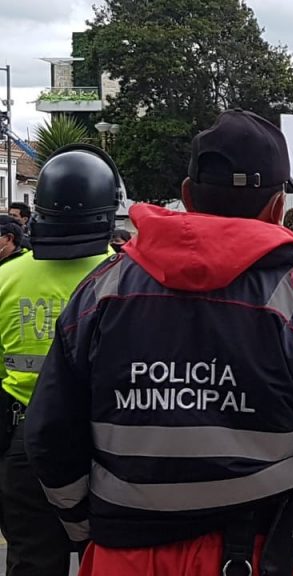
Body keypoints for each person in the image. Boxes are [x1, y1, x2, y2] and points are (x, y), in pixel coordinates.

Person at [24, 111, 293, 575]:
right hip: (255, 555)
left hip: (122, 555)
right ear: (278, 206)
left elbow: (48, 434)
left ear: (186, 194)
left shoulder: (101, 292)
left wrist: (86, 527)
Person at [0, 145, 119, 575]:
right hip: (105, 443)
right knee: (110, 556)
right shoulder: (126, 278)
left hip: (24, 439)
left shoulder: (6, 276)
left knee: (33, 558)